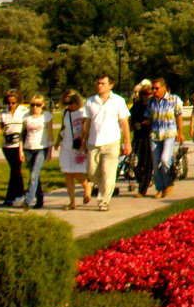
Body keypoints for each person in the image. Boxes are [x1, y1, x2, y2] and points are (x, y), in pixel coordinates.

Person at [81, 74, 132, 211]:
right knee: (92, 172)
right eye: (98, 83)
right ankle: (99, 186)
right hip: (93, 142)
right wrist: (83, 140)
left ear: (110, 85)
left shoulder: (118, 101)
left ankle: (104, 200)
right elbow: (86, 122)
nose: (99, 85)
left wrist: (127, 142)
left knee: (108, 173)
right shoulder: (91, 101)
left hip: (112, 141)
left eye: (102, 83)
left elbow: (124, 122)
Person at [0, 89, 28, 206]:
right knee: (15, 170)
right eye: (8, 103)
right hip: (7, 145)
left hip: (19, 145)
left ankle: (14, 196)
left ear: (18, 101)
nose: (11, 105)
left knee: (15, 170)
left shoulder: (24, 111)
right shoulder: (4, 113)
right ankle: (17, 195)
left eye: (13, 103)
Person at [147, 78, 184, 199]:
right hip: (155, 135)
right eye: (153, 88)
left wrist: (180, 132)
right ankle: (160, 188)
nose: (154, 90)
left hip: (169, 134)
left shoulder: (174, 99)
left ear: (164, 87)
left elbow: (179, 116)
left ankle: (168, 183)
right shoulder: (151, 101)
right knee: (156, 162)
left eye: (156, 88)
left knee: (164, 159)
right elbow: (149, 117)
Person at [56, 89, 91, 209]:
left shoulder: (83, 112)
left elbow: (87, 128)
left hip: (79, 145)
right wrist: (57, 141)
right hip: (66, 145)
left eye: (70, 103)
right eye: (65, 103)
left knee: (76, 172)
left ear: (76, 101)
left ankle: (86, 185)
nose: (68, 106)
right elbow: (63, 127)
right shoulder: (65, 113)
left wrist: (85, 142)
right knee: (67, 173)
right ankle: (72, 202)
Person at [19, 95, 52, 209]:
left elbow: (50, 135)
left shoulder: (46, 116)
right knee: (35, 176)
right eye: (33, 105)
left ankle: (28, 201)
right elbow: (22, 134)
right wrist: (21, 150)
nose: (35, 107)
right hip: (28, 148)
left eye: (38, 105)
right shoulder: (26, 117)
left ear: (42, 105)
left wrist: (50, 151)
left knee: (33, 175)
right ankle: (40, 198)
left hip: (41, 148)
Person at [128, 81, 153, 196]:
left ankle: (142, 189)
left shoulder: (154, 106)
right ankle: (141, 179)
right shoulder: (137, 106)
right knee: (133, 161)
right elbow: (130, 118)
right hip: (138, 137)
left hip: (150, 137)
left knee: (147, 163)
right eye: (144, 94)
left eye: (149, 94)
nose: (147, 96)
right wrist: (133, 125)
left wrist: (149, 122)